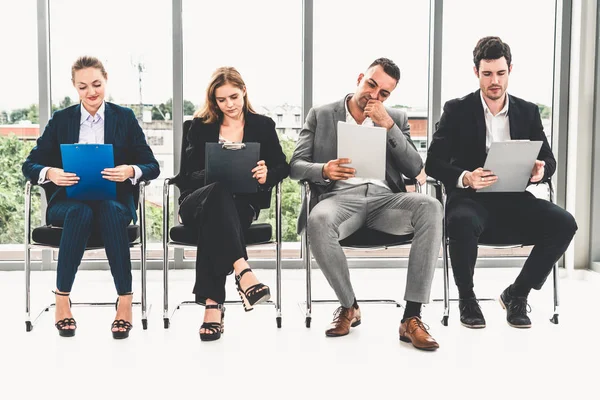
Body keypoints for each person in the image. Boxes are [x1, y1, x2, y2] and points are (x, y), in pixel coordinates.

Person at [290, 58, 442, 351]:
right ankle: (349, 306)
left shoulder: (395, 118)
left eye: (384, 93)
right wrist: (323, 170)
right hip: (339, 199)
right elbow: (296, 165)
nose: (374, 95)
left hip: (386, 201)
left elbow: (414, 168)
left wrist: (388, 126)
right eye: (371, 84)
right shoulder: (321, 115)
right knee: (318, 220)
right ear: (360, 77)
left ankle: (411, 317)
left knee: (431, 207)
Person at [426, 36, 577, 329]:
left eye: (500, 73)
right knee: (461, 221)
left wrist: (540, 171)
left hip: (514, 200)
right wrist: (464, 177)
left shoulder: (527, 111)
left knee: (564, 224)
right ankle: (467, 299)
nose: (494, 81)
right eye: (487, 74)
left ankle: (517, 294)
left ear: (510, 70)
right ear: (476, 73)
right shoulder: (457, 110)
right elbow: (433, 162)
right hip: (471, 199)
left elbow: (550, 161)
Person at [22, 56, 160, 339]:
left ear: (105, 80)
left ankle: (125, 302)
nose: (91, 92)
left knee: (108, 209)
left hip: (115, 202)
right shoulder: (61, 120)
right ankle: (62, 299)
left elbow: (151, 166)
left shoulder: (125, 118)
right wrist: (52, 173)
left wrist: (129, 170)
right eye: (83, 87)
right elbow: (30, 165)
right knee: (80, 212)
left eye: (96, 84)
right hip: (68, 204)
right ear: (75, 87)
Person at [177, 67, 290, 341]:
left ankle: (213, 307)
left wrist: (267, 174)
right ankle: (243, 271)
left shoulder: (262, 126)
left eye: (234, 97)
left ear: (244, 92)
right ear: (213, 101)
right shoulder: (199, 127)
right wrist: (217, 171)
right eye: (222, 100)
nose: (229, 105)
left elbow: (282, 166)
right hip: (197, 202)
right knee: (217, 192)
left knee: (215, 222)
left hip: (240, 205)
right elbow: (185, 176)